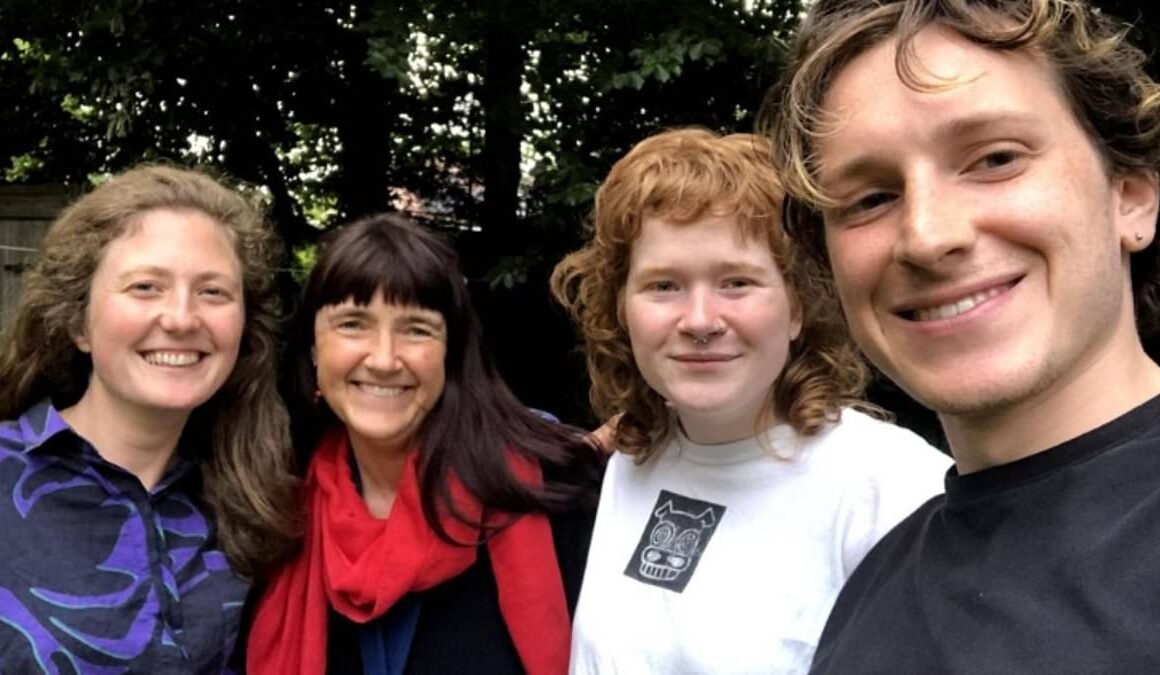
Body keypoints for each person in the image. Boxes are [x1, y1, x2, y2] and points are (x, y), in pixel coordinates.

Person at [761, 0, 1160, 671]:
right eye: (870, 199)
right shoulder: (870, 597)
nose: (928, 235)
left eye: (995, 159)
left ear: (1131, 196)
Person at [550, 128, 950, 673]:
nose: (699, 321)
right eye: (663, 285)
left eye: (736, 282)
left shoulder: (894, 491)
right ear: (622, 310)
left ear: (797, 308)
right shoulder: (633, 462)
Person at [246, 214, 600, 675]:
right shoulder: (276, 514)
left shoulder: (555, 488)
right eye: (353, 324)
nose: (384, 359)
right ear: (313, 350)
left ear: (450, 353)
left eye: (416, 329)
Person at [0, 165, 300, 672]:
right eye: (145, 286)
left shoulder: (263, 505)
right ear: (78, 323)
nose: (181, 318)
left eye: (213, 292)